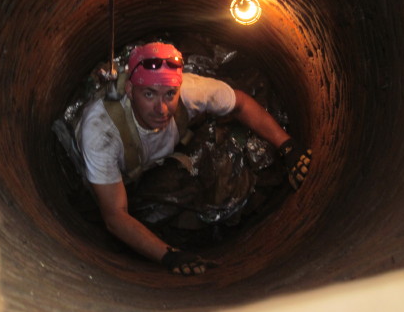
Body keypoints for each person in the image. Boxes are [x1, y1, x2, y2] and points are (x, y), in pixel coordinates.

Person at [74, 42, 311, 275]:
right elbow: (115, 215)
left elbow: (240, 103)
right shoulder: (101, 133)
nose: (162, 109)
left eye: (170, 94)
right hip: (121, 171)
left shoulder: (190, 90)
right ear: (129, 90)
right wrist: (168, 255)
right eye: (149, 94)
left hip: (158, 156)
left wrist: (287, 147)